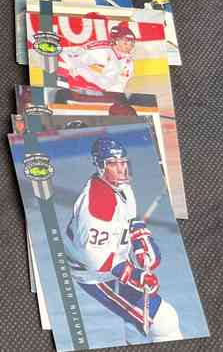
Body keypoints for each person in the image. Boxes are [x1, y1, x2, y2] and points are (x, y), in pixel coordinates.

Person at [64, 137, 182, 341]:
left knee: (138, 321)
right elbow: (94, 257)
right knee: (164, 321)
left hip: (110, 261)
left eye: (123, 162)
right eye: (113, 164)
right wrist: (134, 274)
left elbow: (129, 220)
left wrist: (139, 237)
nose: (121, 169)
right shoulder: (99, 203)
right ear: (100, 166)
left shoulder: (120, 187)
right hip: (94, 273)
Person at [55, 23, 138, 114]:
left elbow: (119, 85)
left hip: (98, 92)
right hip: (79, 87)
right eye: (126, 42)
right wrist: (67, 83)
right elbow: (66, 59)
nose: (129, 46)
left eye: (132, 43)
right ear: (116, 41)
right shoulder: (99, 51)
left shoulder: (128, 62)